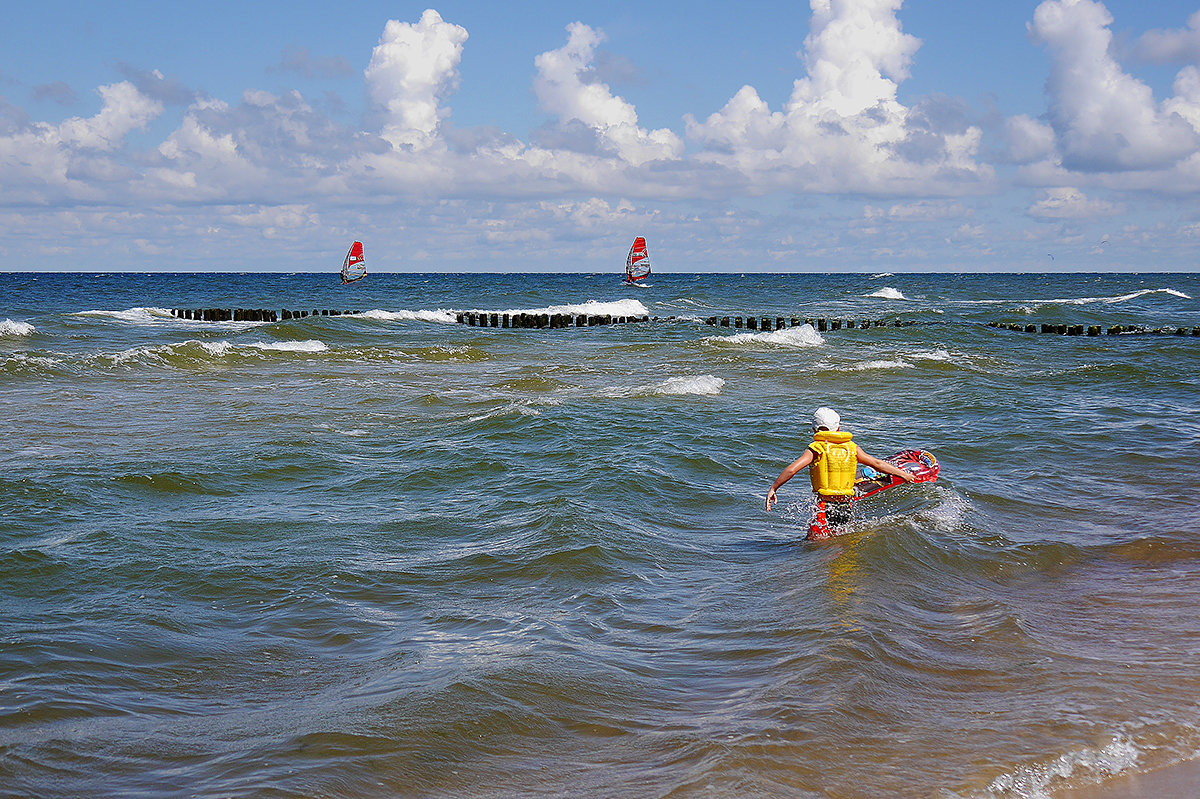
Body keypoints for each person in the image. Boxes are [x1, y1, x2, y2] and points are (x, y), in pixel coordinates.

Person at [765, 407, 916, 540]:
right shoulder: (852, 448)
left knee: (814, 544)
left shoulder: (816, 448)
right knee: (841, 541)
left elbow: (792, 469)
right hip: (845, 506)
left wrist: (774, 488)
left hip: (825, 506)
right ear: (838, 428)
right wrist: (903, 474)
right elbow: (877, 463)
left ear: (814, 430)